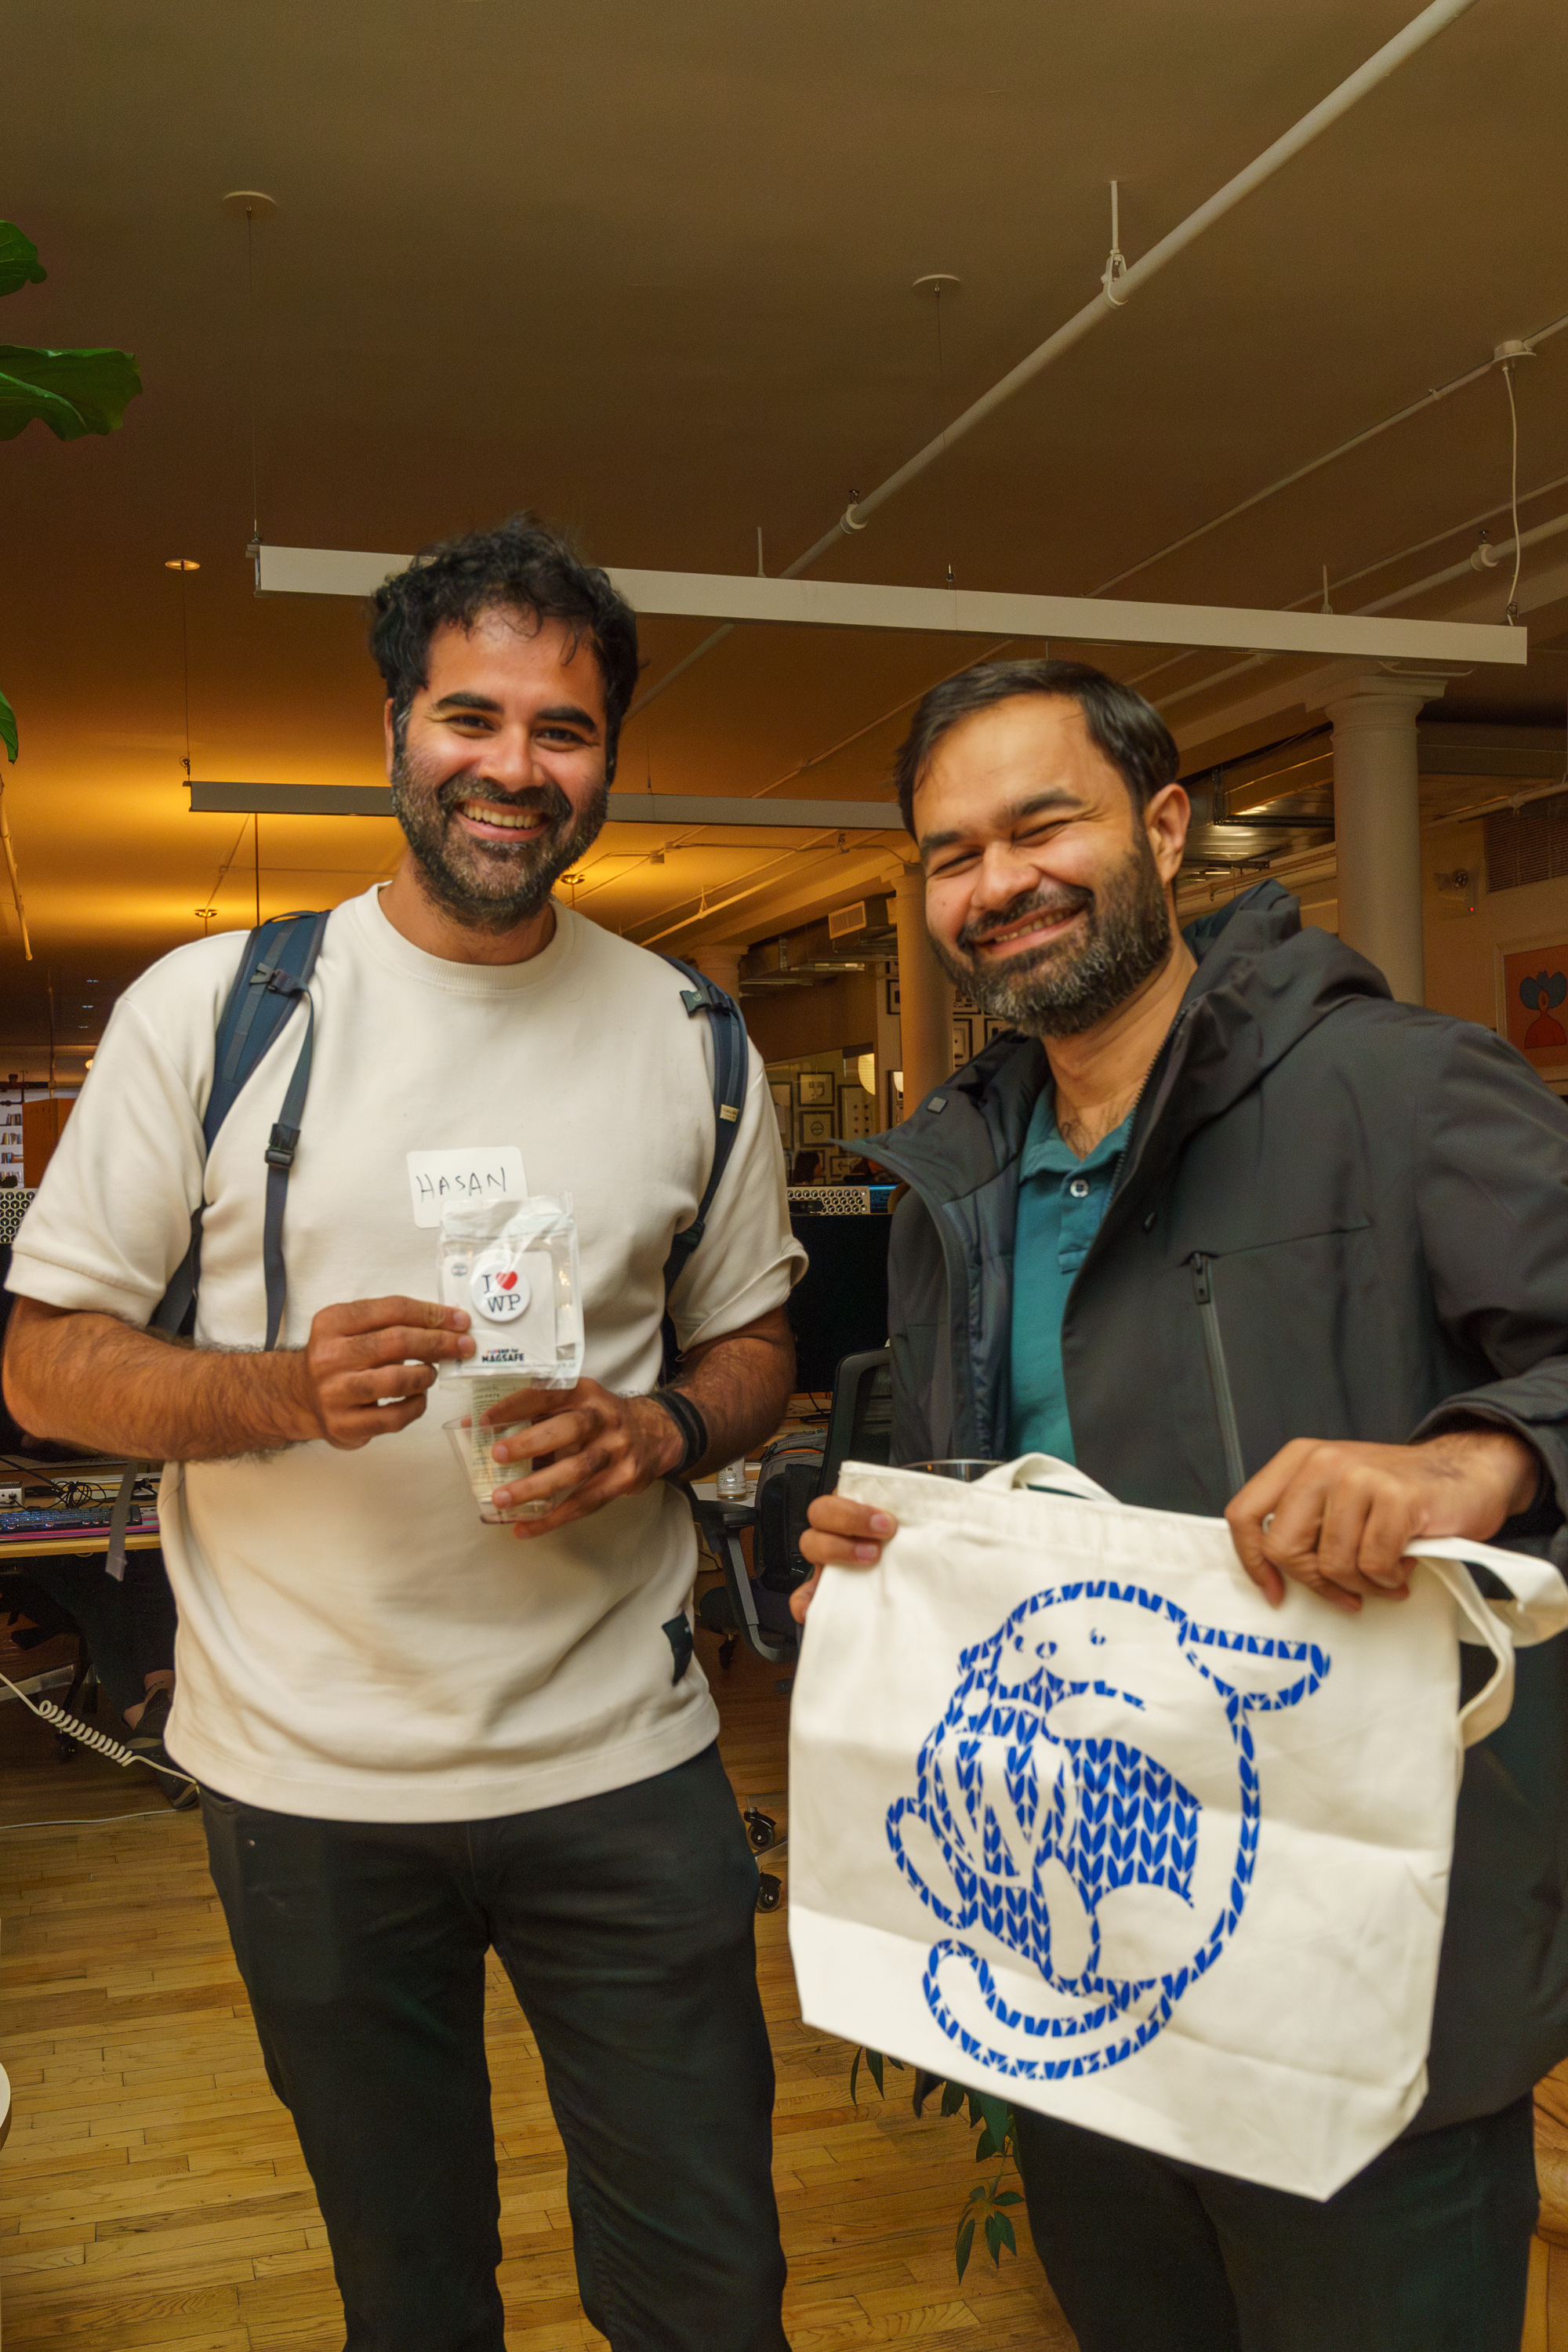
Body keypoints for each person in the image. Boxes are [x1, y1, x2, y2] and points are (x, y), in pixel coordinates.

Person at [2, 515, 804, 2352]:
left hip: (625, 1767)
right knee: (411, 2292)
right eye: (471, 716)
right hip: (311, 1785)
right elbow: (43, 1367)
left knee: (710, 2291)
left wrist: (662, 1430)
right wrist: (278, 1388)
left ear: (607, 757)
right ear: (392, 730)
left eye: (562, 728)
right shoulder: (217, 1013)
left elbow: (755, 1342)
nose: (514, 767)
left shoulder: (691, 1034)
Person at [793, 656, 1568, 2352]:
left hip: (1359, 1974)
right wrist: (886, 1568)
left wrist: (1476, 1459)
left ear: (1162, 827)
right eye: (950, 854)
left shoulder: (1399, 1091)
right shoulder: (955, 1180)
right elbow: (992, 1503)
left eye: (1041, 825)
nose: (997, 883)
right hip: (1080, 1971)